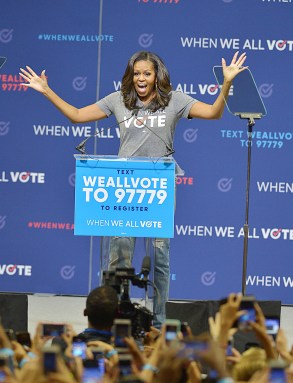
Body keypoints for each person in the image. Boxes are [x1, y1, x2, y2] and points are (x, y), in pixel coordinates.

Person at [20, 50, 247, 327]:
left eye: (147, 74)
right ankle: (115, 319)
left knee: (160, 257)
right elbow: (78, 116)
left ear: (156, 76)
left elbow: (213, 113)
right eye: (137, 73)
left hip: (159, 186)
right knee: (120, 258)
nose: (141, 78)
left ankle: (159, 322)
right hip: (124, 185)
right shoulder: (118, 100)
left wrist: (227, 83)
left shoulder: (175, 100)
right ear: (131, 75)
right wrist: (46, 90)